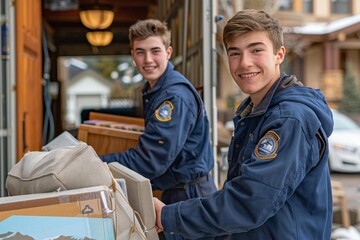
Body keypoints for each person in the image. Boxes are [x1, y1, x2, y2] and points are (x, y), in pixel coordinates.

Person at [153, 9, 334, 239]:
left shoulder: (289, 119)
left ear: (279, 55)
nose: (244, 63)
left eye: (256, 50)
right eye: (235, 53)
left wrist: (169, 217)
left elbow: (248, 202)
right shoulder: (255, 113)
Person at [99, 19, 217, 238]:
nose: (148, 60)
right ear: (132, 54)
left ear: (168, 52)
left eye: (155, 51)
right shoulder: (155, 89)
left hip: (189, 196)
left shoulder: (173, 96)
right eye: (141, 52)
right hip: (176, 192)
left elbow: (150, 160)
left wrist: (95, 163)